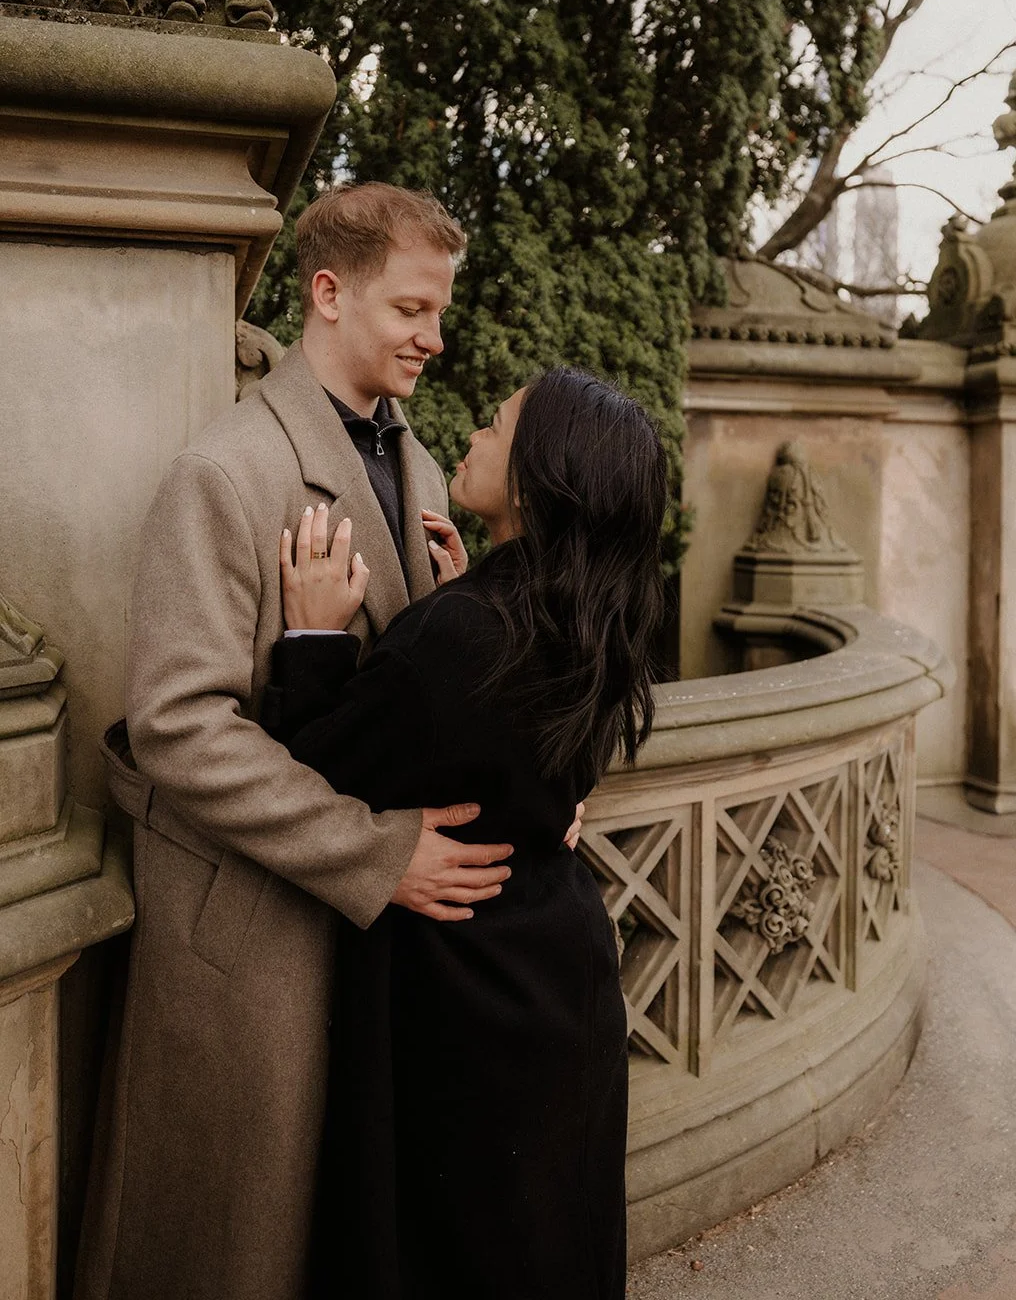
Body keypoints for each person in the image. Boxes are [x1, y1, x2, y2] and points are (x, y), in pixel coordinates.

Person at [75, 185, 521, 1300]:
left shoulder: (419, 466)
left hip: (378, 953)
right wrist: (377, 853)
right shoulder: (223, 473)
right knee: (234, 1252)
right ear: (327, 293)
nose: (434, 335)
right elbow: (179, 726)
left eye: (438, 311)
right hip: (255, 934)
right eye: (412, 308)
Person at [266, 366, 668, 1300]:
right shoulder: (592, 616)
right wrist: (459, 592)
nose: (474, 436)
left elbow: (313, 774)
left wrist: (318, 642)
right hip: (560, 980)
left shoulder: (464, 636)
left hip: (467, 997)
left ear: (532, 479)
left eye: (495, 426)